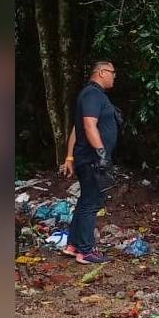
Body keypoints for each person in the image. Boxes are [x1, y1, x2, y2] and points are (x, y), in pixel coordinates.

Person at [59, 60, 122, 264]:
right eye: (113, 72)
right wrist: (102, 154)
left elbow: (76, 129)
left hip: (86, 157)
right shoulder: (93, 94)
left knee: (85, 200)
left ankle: (74, 244)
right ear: (102, 72)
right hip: (92, 159)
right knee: (91, 202)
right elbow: (87, 125)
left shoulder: (92, 95)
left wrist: (69, 156)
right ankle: (85, 251)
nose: (115, 76)